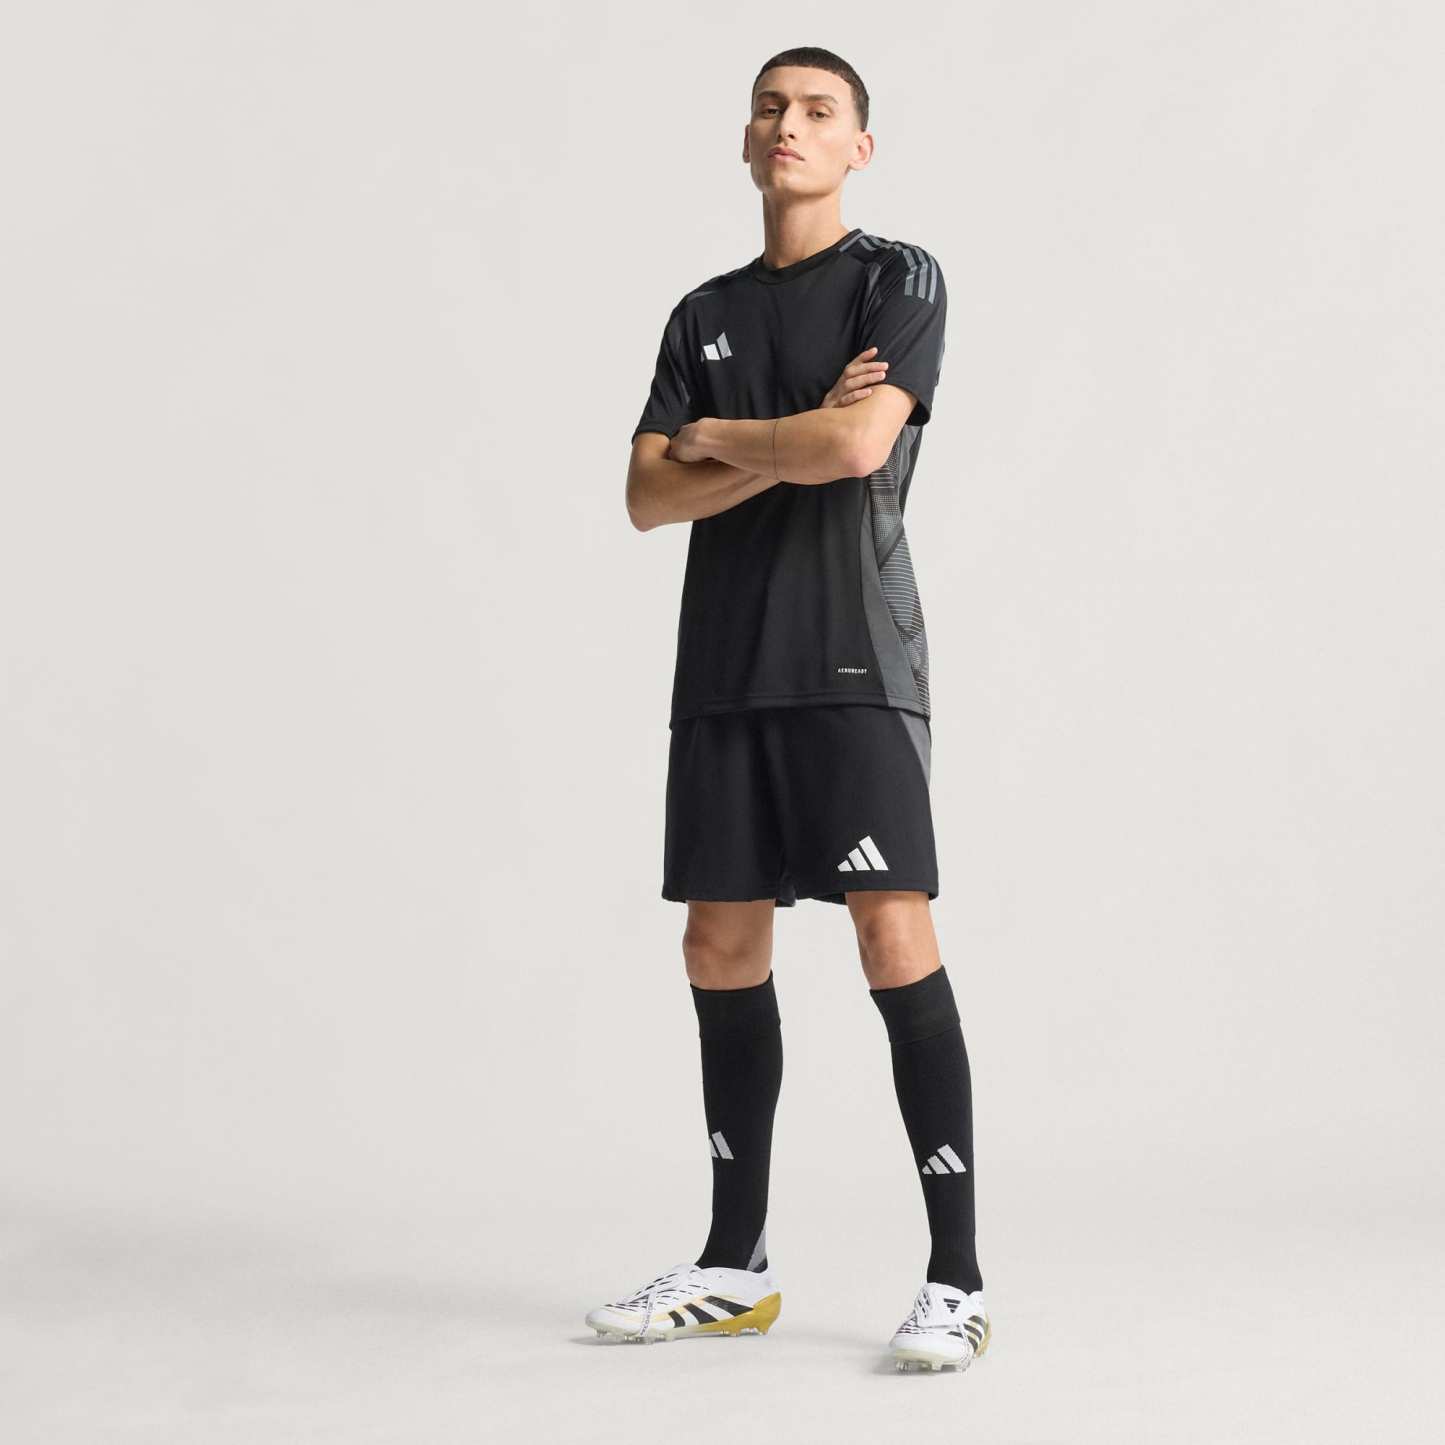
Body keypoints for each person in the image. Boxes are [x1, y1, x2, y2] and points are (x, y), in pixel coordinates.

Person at [584, 46, 989, 1374]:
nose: (789, 126)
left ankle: (956, 1279)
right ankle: (732, 1263)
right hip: (724, 669)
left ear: (858, 145)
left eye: (818, 111)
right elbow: (645, 496)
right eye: (770, 107)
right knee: (716, 943)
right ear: (745, 139)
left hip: (854, 662)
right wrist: (784, 441)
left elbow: (860, 444)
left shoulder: (896, 278)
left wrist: (722, 438)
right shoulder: (699, 311)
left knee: (889, 931)